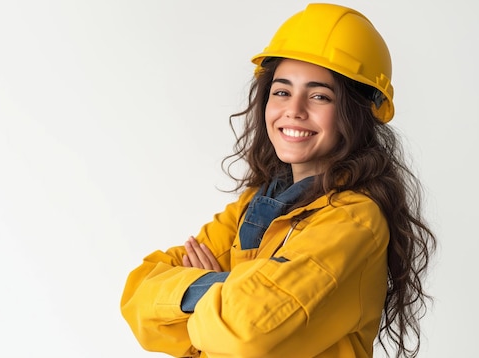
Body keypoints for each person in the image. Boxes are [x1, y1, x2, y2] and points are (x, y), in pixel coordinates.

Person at [120, 3, 436, 358]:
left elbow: (244, 333)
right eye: (282, 91)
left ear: (357, 112)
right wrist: (234, 295)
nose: (294, 109)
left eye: (319, 96)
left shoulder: (353, 221)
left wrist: (197, 297)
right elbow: (137, 295)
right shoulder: (252, 208)